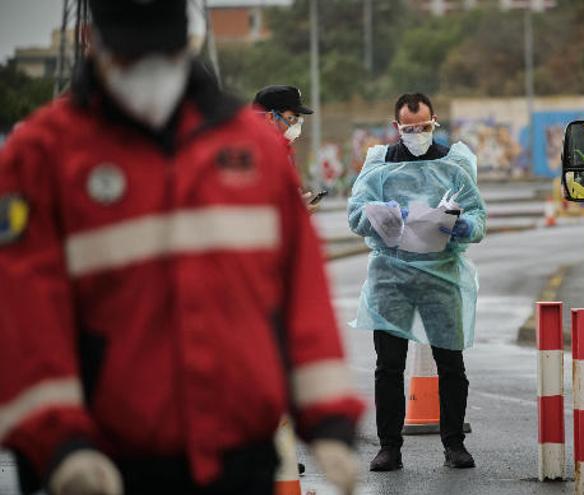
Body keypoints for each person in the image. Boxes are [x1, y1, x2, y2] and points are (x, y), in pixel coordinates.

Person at [0, 1, 363, 494]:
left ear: (186, 43)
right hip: (107, 458)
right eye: (131, 54)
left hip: (238, 450)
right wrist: (58, 441)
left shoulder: (249, 149)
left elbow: (299, 289)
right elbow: (24, 312)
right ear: (92, 40)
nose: (147, 71)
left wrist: (328, 416)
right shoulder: (42, 155)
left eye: (161, 52)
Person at [347, 93, 487, 472]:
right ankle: (389, 447)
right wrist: (384, 217)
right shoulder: (378, 165)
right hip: (391, 276)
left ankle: (454, 444)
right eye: (410, 129)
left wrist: (462, 225)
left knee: (451, 363)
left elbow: (477, 216)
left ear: (434, 121)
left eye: (424, 127)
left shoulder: (453, 164)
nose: (417, 134)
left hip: (441, 274)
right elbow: (356, 215)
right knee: (388, 366)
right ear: (397, 127)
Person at [253, 85, 322, 213]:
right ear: (271, 117)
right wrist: (294, 211)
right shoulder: (256, 154)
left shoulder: (282, 151)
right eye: (291, 118)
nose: (296, 126)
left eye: (298, 120)